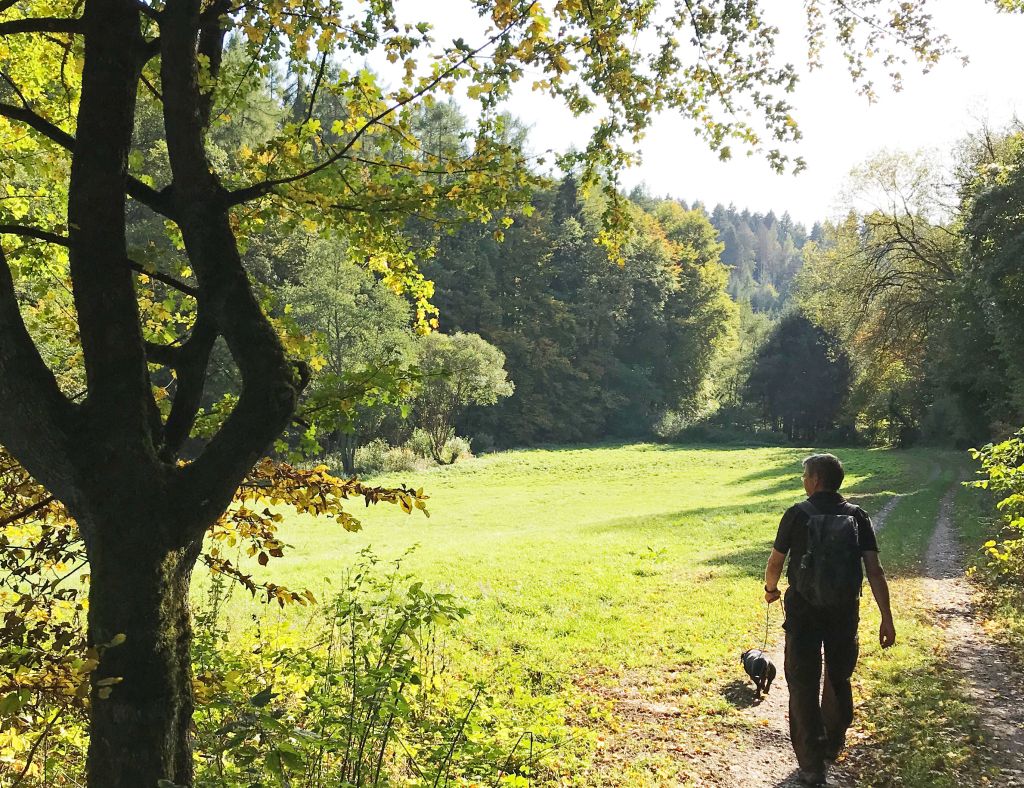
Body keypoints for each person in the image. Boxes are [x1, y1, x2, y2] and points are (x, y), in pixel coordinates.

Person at [763, 453, 896, 786]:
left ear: (816, 480)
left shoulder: (796, 514)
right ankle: (833, 743)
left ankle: (810, 763)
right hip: (843, 611)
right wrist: (886, 617)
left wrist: (770, 589)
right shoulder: (858, 516)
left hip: (803, 612)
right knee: (838, 677)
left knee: (802, 682)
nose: (803, 481)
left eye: (805, 475)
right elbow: (875, 570)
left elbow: (776, 562)